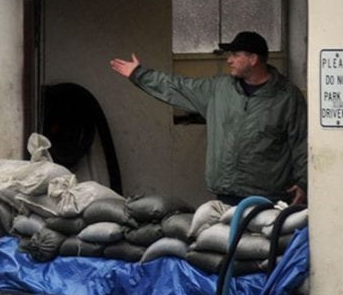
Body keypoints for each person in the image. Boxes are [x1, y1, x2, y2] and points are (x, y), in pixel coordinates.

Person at [110, 31, 307, 206]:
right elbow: (179, 86)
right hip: (226, 195)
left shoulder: (287, 97)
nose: (229, 60)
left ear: (253, 59)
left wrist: (304, 182)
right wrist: (139, 74)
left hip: (268, 198)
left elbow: (302, 142)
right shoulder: (219, 90)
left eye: (235, 55)